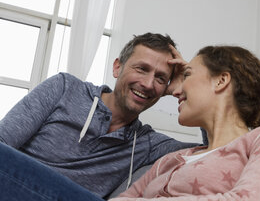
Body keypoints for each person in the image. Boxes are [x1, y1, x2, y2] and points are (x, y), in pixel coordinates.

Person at [0, 45, 260, 201]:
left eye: (170, 79)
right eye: (141, 69)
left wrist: (181, 81)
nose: (175, 89)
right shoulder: (173, 159)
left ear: (222, 80)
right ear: (117, 67)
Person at [0, 33, 198, 198]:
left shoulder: (149, 145)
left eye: (160, 78)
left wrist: (191, 86)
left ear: (166, 89)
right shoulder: (64, 88)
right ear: (117, 67)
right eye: (141, 69)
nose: (147, 83)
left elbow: (217, 151)